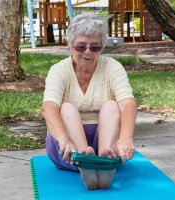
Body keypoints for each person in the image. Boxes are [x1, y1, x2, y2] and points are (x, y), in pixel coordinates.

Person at [42, 12, 137, 190]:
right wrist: (63, 140)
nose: (88, 52)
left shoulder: (112, 67)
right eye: (81, 47)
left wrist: (125, 139)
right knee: (66, 108)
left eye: (95, 47)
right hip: (68, 147)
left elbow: (128, 103)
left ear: (102, 47)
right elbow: (49, 107)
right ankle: (84, 161)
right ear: (70, 45)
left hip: (105, 140)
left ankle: (105, 162)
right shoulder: (58, 70)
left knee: (111, 106)